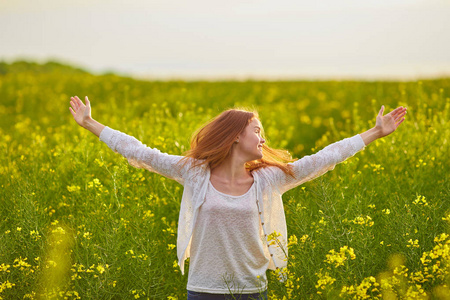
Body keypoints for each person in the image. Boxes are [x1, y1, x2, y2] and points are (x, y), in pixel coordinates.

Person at [69, 96, 407, 299]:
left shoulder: (268, 179)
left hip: (252, 291)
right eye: (257, 130)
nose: (263, 138)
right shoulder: (194, 172)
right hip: (202, 291)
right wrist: (90, 123)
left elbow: (323, 158)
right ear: (234, 136)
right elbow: (138, 151)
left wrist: (375, 132)